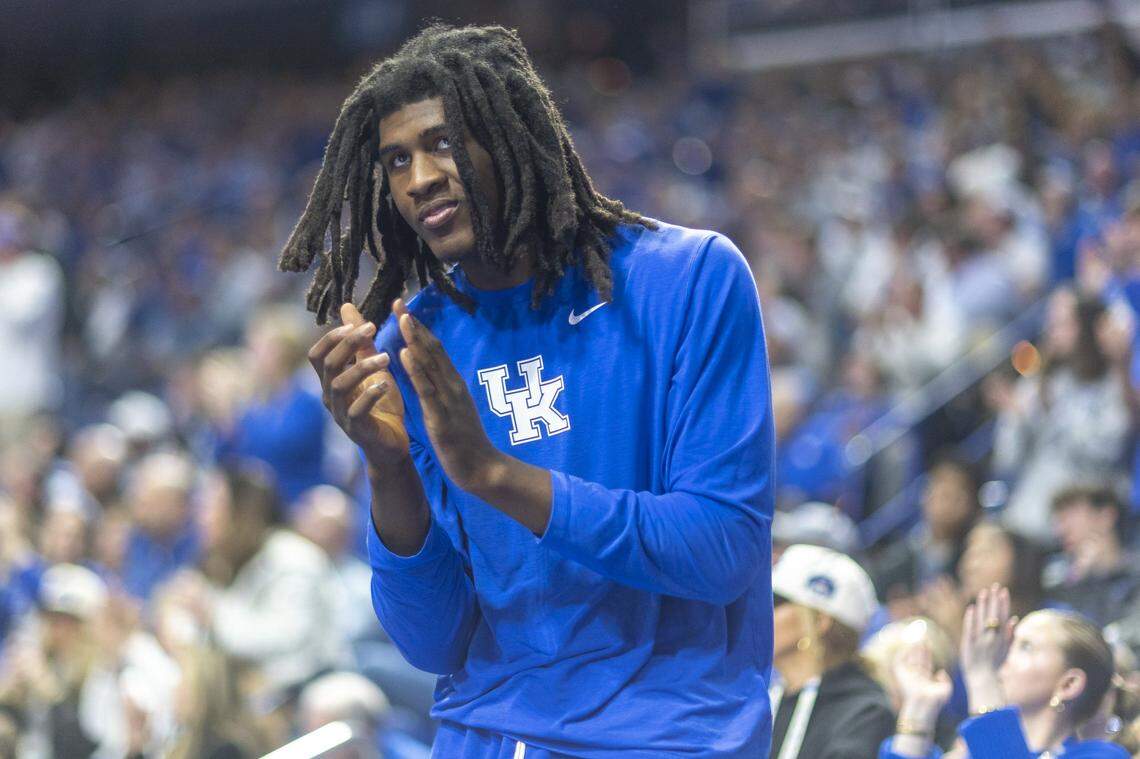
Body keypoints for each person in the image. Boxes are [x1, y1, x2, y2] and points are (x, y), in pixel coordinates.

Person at [282, 23, 774, 758]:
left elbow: (720, 549)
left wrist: (498, 477)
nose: (420, 179)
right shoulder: (411, 348)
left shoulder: (691, 278)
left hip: (668, 733)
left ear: (514, 130)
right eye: (397, 160)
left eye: (443, 142)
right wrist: (389, 474)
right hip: (483, 735)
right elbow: (432, 639)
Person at [882, 585, 1127, 758]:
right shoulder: (971, 748)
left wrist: (983, 679)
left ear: (1068, 684)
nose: (1002, 656)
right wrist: (920, 707)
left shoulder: (1101, 755)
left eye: (1025, 647)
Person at [769, 544, 895, 758]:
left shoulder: (864, 712)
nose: (760, 612)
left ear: (819, 621)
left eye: (776, 602)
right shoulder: (770, 699)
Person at [1044, 486, 1140, 628]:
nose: (1060, 530)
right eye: (1058, 520)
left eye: (1069, 516)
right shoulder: (1057, 578)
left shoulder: (1135, 572)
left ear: (1106, 516)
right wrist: (1079, 578)